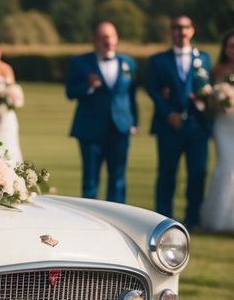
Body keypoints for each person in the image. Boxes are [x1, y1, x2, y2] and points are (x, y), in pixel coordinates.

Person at [146, 14, 213, 227]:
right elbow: (153, 90)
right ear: (171, 32)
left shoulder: (204, 58)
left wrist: (202, 98)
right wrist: (168, 113)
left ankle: (193, 219)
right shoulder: (158, 60)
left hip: (197, 125)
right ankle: (163, 220)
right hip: (168, 126)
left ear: (192, 31)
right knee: (166, 175)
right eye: (176, 27)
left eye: (185, 27)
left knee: (197, 173)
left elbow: (207, 87)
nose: (181, 31)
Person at [65, 21, 137, 201]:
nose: (108, 41)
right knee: (90, 181)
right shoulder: (80, 62)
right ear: (95, 40)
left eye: (111, 36)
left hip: (120, 128)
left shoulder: (128, 63)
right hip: (90, 129)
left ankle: (119, 222)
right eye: (104, 37)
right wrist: (87, 86)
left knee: (118, 180)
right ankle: (90, 224)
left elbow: (131, 95)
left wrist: (133, 121)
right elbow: (70, 92)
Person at [200, 27, 234, 232]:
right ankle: (219, 219)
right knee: (226, 167)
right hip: (223, 125)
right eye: (230, 45)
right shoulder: (217, 70)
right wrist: (218, 98)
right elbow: (209, 98)